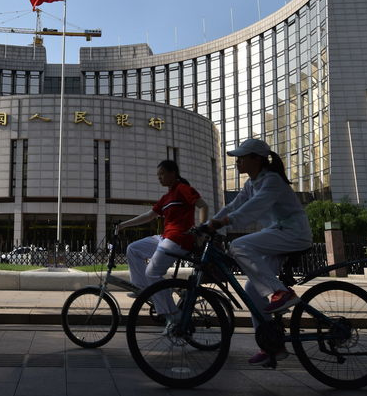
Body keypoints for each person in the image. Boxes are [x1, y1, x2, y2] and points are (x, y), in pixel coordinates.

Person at [207, 138, 312, 366]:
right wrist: (209, 224)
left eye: (241, 158)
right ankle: (272, 346)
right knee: (252, 290)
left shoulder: (272, 180)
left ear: (257, 159)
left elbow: (253, 208)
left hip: (293, 233)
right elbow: (233, 205)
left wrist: (225, 222)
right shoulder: (251, 183)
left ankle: (281, 293)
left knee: (239, 246)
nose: (237, 162)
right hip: (278, 233)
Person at [118, 160, 209, 327]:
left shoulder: (182, 189)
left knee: (152, 273)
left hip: (180, 239)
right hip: (165, 237)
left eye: (162, 174)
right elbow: (149, 216)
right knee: (133, 249)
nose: (159, 178)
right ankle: (144, 289)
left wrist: (201, 231)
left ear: (173, 173)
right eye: (157, 175)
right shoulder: (166, 198)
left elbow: (203, 206)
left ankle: (174, 315)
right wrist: (124, 225)